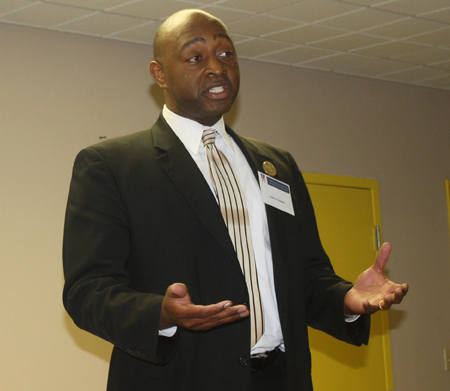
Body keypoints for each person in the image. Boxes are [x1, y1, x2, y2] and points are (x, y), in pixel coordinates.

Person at [62, 9, 408, 391]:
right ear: (159, 74)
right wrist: (159, 313)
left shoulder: (277, 165)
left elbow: (306, 278)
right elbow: (87, 292)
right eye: (196, 57)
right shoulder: (112, 166)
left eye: (226, 54)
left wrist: (347, 298)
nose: (216, 67)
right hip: (180, 378)